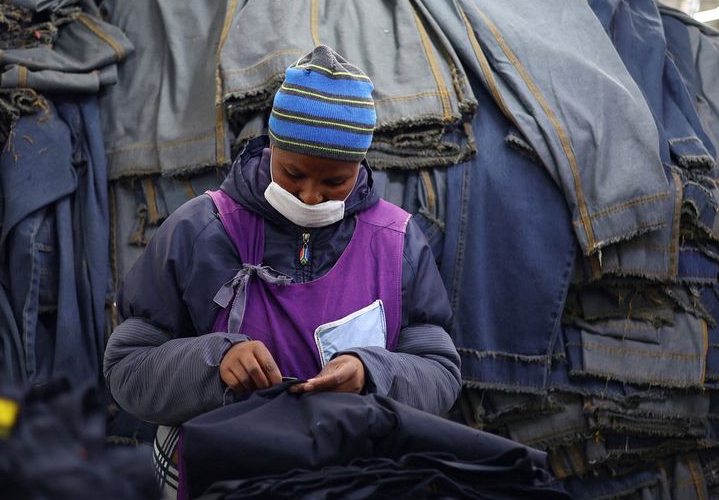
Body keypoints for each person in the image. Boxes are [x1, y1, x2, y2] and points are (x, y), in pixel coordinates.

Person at [104, 45, 461, 495]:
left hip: (350, 480)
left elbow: (440, 372)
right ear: (271, 146)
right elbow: (127, 367)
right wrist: (215, 362)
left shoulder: (397, 242)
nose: (311, 196)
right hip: (218, 476)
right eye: (293, 174)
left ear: (361, 165)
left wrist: (371, 372)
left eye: (335, 182)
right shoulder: (201, 230)